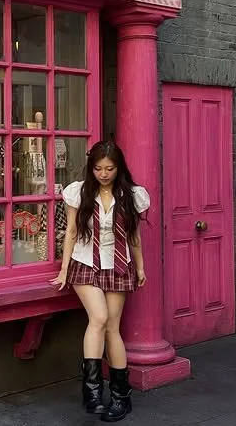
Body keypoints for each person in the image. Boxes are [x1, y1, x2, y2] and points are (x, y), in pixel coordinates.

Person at [50, 140, 150, 422]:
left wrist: (140, 267)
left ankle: (121, 397)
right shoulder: (79, 192)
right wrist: (64, 269)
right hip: (85, 262)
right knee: (99, 318)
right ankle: (92, 392)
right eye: (98, 168)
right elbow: (71, 231)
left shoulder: (132, 195)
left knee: (112, 329)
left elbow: (133, 237)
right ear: (91, 167)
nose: (103, 174)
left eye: (109, 168)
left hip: (118, 264)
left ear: (118, 168)